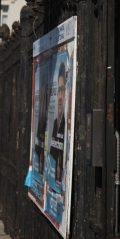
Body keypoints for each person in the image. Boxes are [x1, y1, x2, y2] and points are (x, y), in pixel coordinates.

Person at [49, 61, 66, 189]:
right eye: (58, 90)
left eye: (62, 90)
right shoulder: (55, 123)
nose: (60, 97)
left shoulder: (66, 124)